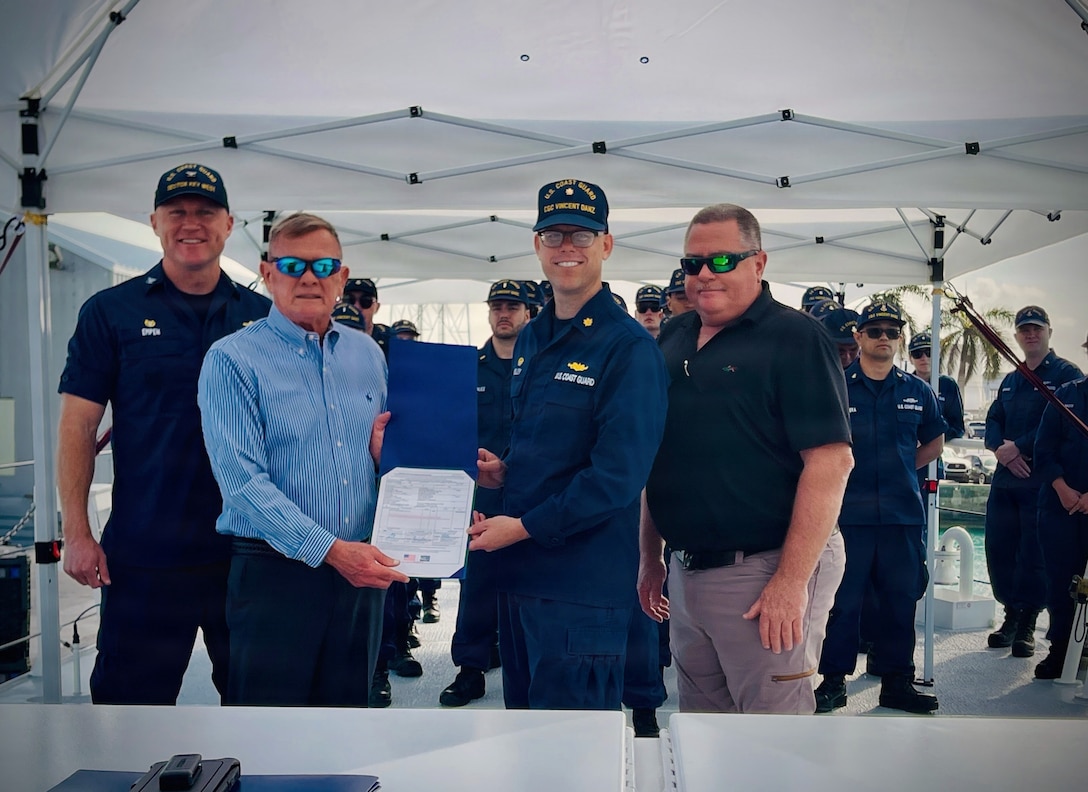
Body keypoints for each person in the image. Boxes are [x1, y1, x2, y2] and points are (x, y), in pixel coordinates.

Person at [57, 163, 271, 705]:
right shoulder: (110, 313)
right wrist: (78, 533)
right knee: (128, 716)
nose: (190, 224)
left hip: (247, 553)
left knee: (261, 712)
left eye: (205, 212)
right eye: (177, 212)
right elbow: (79, 425)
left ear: (229, 224)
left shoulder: (265, 319)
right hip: (145, 555)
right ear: (155, 222)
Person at [639, 203, 852, 715]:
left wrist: (790, 582)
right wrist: (650, 558)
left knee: (771, 738)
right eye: (693, 263)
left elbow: (831, 462)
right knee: (702, 728)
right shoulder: (672, 338)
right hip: (687, 573)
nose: (705, 274)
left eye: (722, 261)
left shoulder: (796, 338)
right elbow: (656, 454)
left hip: (765, 571)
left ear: (759, 262)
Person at [469, 179, 668, 711]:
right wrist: (504, 472)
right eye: (553, 234)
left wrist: (525, 526)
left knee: (574, 754)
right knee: (525, 739)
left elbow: (617, 478)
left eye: (581, 235)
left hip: (582, 588)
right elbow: (544, 446)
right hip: (521, 577)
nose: (566, 249)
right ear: (536, 245)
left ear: (606, 244)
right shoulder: (532, 338)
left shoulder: (629, 350)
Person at [198, 212, 409, 706]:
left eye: (323, 265)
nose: (308, 277)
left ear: (342, 276)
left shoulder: (368, 355)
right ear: (268, 274)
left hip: (360, 574)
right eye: (292, 265)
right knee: (271, 735)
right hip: (275, 574)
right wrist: (332, 551)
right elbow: (241, 483)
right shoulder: (232, 359)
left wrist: (388, 461)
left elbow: (381, 458)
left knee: (349, 717)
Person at [815, 302, 945, 714]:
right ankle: (833, 682)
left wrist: (905, 467)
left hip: (901, 515)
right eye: (874, 331)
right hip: (846, 515)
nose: (883, 338)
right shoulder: (836, 385)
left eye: (891, 331)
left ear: (899, 338)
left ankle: (896, 682)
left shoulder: (917, 390)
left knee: (899, 601)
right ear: (858, 337)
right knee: (842, 603)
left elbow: (934, 442)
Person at [439, 279, 532, 707]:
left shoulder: (541, 364)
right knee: (478, 584)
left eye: (512, 306)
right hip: (479, 495)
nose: (503, 313)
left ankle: (527, 668)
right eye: (497, 305)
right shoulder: (469, 368)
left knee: (534, 583)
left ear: (529, 312)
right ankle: (470, 668)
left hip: (532, 494)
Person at [984, 306, 1083, 658]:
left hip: (1038, 482)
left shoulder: (1067, 375)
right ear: (1017, 336)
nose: (1031, 335)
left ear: (1049, 332)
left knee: (1033, 554)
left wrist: (1019, 447)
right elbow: (994, 419)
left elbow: (1058, 426)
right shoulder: (1013, 379)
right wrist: (999, 448)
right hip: (1005, 481)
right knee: (999, 549)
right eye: (1024, 330)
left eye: (1037, 329)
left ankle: (1027, 621)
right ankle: (1010, 615)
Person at [1033, 332, 1088, 678]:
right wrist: (1063, 488)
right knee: (1059, 582)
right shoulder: (1065, 396)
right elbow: (1044, 448)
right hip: (1060, 507)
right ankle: (1061, 649)